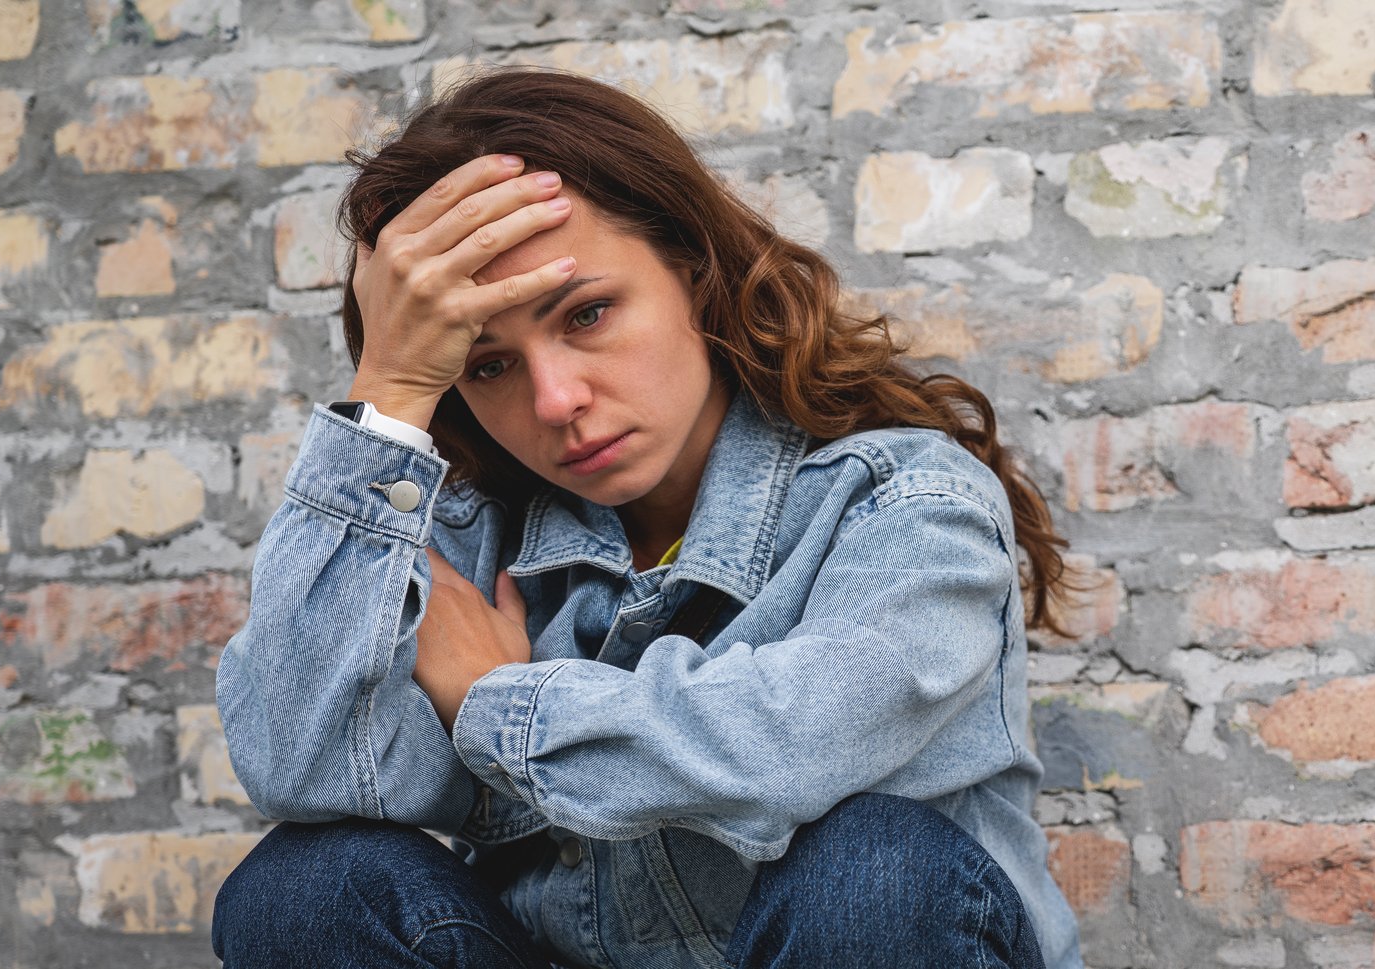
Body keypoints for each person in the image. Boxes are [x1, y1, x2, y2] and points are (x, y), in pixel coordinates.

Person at [209, 68, 1084, 969]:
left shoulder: (905, 505)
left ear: (695, 272)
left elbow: (779, 753)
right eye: (488, 366)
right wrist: (389, 395)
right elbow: (296, 763)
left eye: (587, 313)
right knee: (302, 889)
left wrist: (490, 698)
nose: (555, 400)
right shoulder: (467, 536)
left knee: (877, 872)